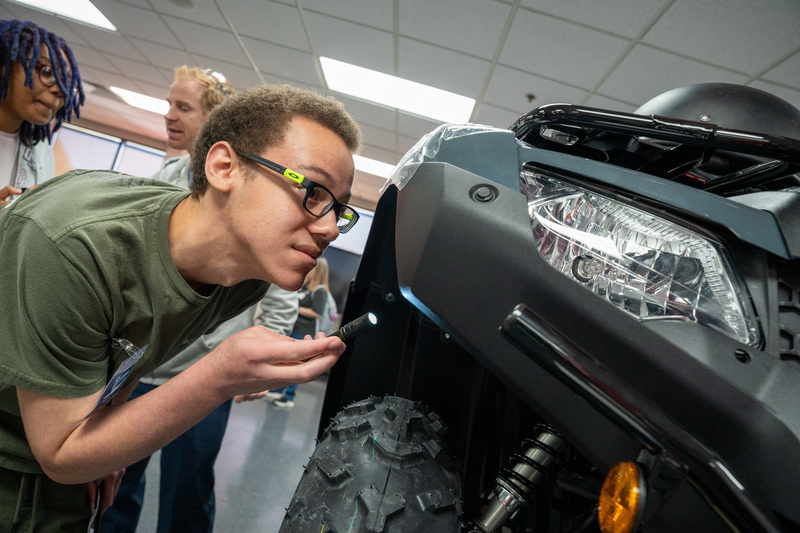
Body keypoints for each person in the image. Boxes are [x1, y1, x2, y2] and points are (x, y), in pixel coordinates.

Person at [0, 83, 362, 532]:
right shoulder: (77, 245)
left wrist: (108, 438)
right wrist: (221, 375)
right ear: (224, 167)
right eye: (312, 191)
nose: (329, 228)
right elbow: (60, 455)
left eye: (339, 210)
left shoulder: (242, 277)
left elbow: (134, 347)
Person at [102, 68, 298, 533]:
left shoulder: (252, 193)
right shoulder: (164, 176)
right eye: (169, 105)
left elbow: (278, 281)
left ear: (215, 119)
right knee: (115, 487)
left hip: (203, 376)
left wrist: (271, 351)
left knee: (187, 494)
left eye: (182, 108)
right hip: (143, 366)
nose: (169, 115)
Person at [0, 19, 83, 206]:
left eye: (67, 83)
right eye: (46, 72)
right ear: (4, 64)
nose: (60, 90)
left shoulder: (41, 154)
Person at [271, 257, 334, 409]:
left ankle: (289, 397)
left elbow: (316, 312)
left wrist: (296, 309)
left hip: (305, 332)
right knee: (286, 361)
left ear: (318, 271)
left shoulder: (320, 291)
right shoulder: (306, 287)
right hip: (295, 329)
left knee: (297, 364)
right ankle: (278, 391)